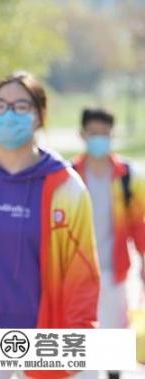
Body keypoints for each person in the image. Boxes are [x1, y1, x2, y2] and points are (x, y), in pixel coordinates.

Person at [0, 71, 100, 379]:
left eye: (20, 106)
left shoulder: (67, 188)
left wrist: (81, 337)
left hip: (48, 331)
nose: (9, 114)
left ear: (39, 115)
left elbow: (82, 270)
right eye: (1, 105)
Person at [72, 107, 145, 379]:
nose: (99, 139)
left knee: (114, 334)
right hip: (78, 273)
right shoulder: (70, 175)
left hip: (114, 271)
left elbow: (139, 223)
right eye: (94, 133)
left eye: (105, 134)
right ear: (82, 134)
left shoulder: (126, 176)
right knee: (82, 336)